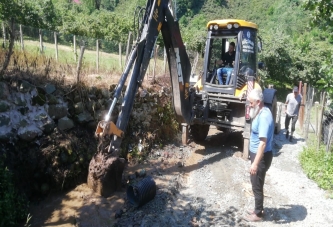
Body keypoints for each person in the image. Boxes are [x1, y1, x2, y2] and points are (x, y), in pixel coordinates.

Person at [244, 88, 274, 222]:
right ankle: (259, 208)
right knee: (258, 182)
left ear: (258, 101)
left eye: (250, 103)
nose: (249, 105)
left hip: (261, 157)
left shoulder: (263, 117)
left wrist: (255, 164)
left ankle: (258, 214)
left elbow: (263, 143)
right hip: (258, 155)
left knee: (256, 184)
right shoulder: (262, 110)